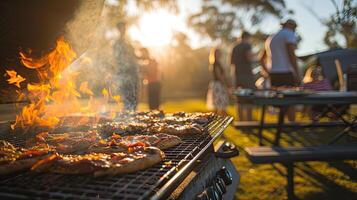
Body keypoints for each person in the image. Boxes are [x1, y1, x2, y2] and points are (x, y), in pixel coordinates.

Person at [260, 19, 299, 121]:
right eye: (294, 27)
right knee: (291, 102)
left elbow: (261, 58)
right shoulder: (289, 33)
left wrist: (268, 72)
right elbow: (291, 54)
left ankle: (281, 127)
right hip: (286, 72)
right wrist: (297, 73)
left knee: (279, 101)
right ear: (290, 25)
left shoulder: (271, 38)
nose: (295, 29)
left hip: (274, 74)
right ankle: (291, 126)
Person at [113, 22, 139, 111]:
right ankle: (128, 114)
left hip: (132, 71)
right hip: (124, 72)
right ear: (118, 30)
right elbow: (118, 58)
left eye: (124, 28)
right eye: (121, 28)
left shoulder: (128, 42)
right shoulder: (118, 43)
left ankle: (133, 113)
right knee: (127, 94)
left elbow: (133, 56)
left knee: (133, 94)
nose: (123, 30)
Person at [231, 31, 255, 121]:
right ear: (247, 37)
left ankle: (240, 120)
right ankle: (249, 120)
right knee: (249, 97)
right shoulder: (247, 46)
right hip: (247, 75)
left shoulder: (234, 47)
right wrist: (254, 57)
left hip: (237, 75)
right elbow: (249, 58)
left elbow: (232, 63)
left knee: (239, 98)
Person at [206, 48, 230, 115]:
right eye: (217, 53)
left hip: (218, 85)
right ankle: (219, 121)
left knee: (219, 105)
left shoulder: (218, 63)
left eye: (220, 53)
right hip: (218, 86)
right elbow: (219, 76)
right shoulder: (215, 63)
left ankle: (219, 120)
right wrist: (225, 84)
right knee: (219, 105)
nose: (219, 54)